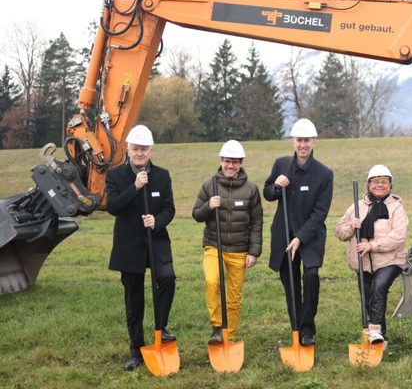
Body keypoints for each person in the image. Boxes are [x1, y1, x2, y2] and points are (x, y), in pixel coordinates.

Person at [105, 125, 176, 371]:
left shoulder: (163, 175)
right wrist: (134, 187)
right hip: (129, 245)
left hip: (156, 242)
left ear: (150, 150)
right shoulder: (115, 176)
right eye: (135, 148)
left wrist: (157, 222)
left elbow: (169, 209)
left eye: (144, 148)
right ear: (128, 149)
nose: (139, 153)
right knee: (134, 300)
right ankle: (136, 350)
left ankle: (162, 327)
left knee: (167, 279)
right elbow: (112, 206)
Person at [263, 118, 333, 347]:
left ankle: (307, 328)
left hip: (310, 235)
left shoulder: (324, 174)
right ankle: (296, 327)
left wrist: (300, 238)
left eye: (307, 140)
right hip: (283, 233)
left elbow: (320, 212)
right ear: (293, 142)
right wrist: (276, 187)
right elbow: (267, 193)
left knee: (311, 276)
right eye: (299, 140)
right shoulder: (280, 165)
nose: (303, 144)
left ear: (313, 142)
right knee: (290, 282)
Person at [192, 140, 262, 344]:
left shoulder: (251, 189)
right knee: (212, 281)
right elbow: (196, 215)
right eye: (226, 161)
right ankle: (216, 327)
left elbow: (257, 220)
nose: (230, 166)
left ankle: (228, 337)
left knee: (233, 297)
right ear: (221, 162)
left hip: (240, 250)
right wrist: (208, 206)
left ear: (240, 163)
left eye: (234, 162)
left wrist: (253, 252)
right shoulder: (209, 185)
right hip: (214, 245)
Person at [334, 164, 408, 344]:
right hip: (362, 262)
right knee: (369, 297)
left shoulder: (396, 207)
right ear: (368, 185)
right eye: (375, 182)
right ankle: (381, 337)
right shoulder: (356, 207)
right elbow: (339, 232)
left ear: (390, 185)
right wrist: (352, 225)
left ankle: (374, 329)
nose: (380, 185)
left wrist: (372, 246)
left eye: (384, 182)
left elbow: (399, 236)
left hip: (391, 260)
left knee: (379, 287)